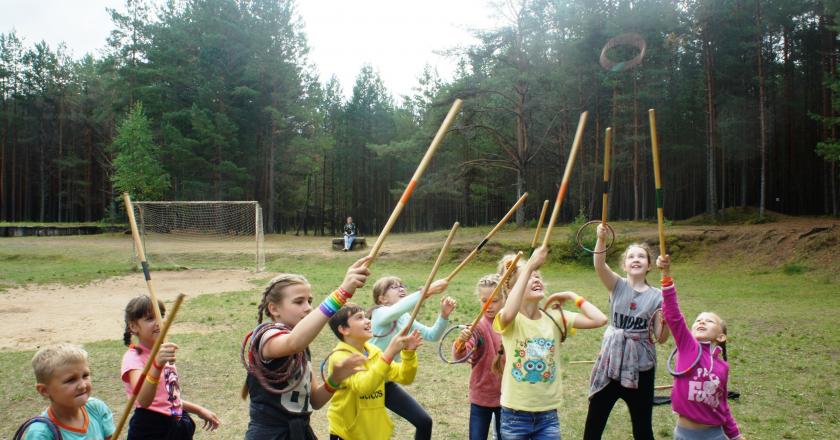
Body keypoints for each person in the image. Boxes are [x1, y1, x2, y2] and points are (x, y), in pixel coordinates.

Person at [244, 256, 370, 440]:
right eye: (299, 301)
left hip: (300, 433)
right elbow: (293, 342)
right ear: (274, 309)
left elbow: (315, 401)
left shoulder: (302, 348)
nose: (308, 308)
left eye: (309, 301)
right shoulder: (266, 336)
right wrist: (341, 294)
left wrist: (335, 378)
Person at [494, 246, 608, 439]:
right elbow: (509, 311)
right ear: (514, 288)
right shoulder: (510, 319)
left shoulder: (555, 318)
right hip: (514, 416)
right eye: (530, 276)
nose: (536, 278)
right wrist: (529, 266)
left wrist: (572, 295)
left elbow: (600, 319)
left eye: (538, 276)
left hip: (548, 416)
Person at [583, 225, 671, 440]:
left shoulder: (658, 296)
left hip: (641, 367)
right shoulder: (617, 285)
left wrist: (666, 322)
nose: (636, 259)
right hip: (611, 363)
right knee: (595, 421)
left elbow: (661, 337)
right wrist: (601, 239)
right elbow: (599, 264)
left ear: (649, 265)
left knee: (642, 428)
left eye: (641, 256)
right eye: (631, 256)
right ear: (624, 265)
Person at [658, 255, 745, 440]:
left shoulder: (723, 367)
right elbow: (673, 314)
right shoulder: (688, 347)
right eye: (698, 320)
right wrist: (666, 275)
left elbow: (722, 405)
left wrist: (735, 435)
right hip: (685, 434)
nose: (702, 321)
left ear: (721, 336)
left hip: (715, 434)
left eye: (709, 320)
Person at [368, 275, 455, 440]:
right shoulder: (379, 313)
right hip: (365, 383)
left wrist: (443, 316)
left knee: (424, 421)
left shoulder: (405, 317)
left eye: (402, 285)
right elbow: (393, 312)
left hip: (386, 384)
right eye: (394, 287)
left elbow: (431, 335)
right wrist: (426, 292)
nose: (401, 288)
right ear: (382, 298)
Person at [121, 296, 219, 439]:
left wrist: (198, 410)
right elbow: (144, 400)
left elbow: (168, 399)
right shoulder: (133, 358)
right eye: (150, 318)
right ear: (133, 326)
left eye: (161, 316)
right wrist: (157, 365)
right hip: (151, 429)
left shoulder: (162, 352)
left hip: (175, 424)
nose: (159, 322)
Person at [326, 304, 423, 440]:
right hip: (347, 434)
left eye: (366, 316)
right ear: (343, 329)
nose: (368, 321)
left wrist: (409, 354)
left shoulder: (373, 351)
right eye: (359, 318)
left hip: (375, 433)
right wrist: (389, 354)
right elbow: (364, 387)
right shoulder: (340, 357)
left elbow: (405, 377)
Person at [18, 343, 115, 439]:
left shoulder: (97, 408)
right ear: (44, 390)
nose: (82, 385)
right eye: (71, 380)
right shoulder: (41, 434)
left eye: (85, 375)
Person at [452, 274, 505, 440]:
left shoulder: (511, 324)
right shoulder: (477, 327)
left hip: (507, 397)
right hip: (481, 396)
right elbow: (458, 356)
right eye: (484, 301)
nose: (488, 306)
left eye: (494, 300)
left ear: (505, 298)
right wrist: (461, 341)